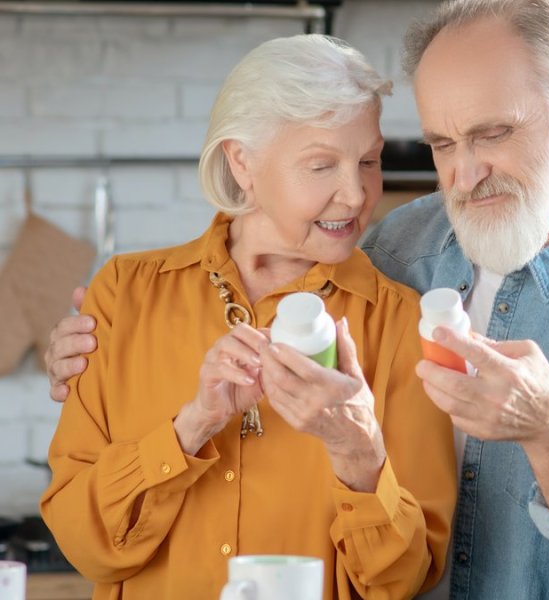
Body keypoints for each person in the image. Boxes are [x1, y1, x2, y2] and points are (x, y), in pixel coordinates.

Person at [45, 1, 549, 599]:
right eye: (441, 144)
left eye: (493, 134)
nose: (464, 173)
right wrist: (98, 351)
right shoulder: (397, 247)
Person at [39, 34, 456, 600]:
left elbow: (401, 581)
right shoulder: (124, 295)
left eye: (368, 160)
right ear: (243, 162)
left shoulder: (398, 324)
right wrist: (190, 429)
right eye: (320, 165)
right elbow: (84, 544)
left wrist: (359, 454)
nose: (357, 194)